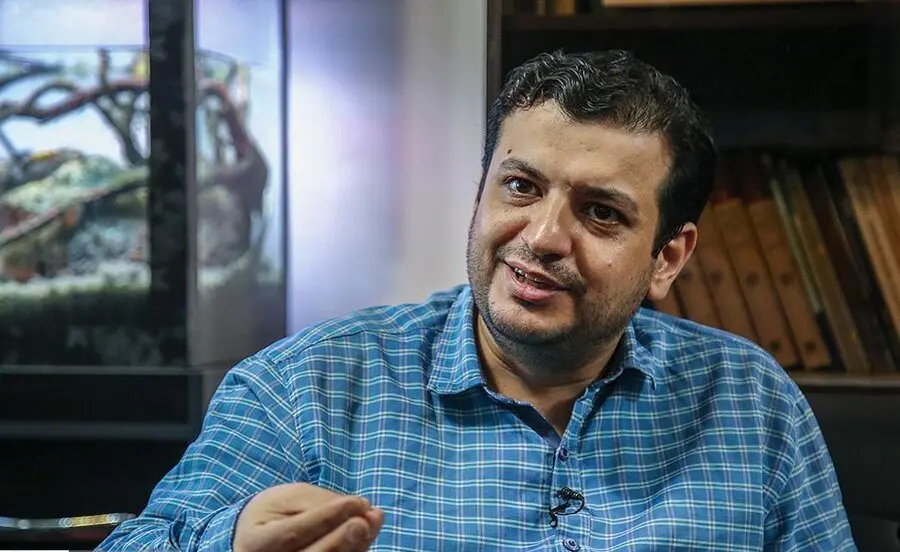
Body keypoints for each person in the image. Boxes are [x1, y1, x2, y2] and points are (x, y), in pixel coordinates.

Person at [99, 49, 856, 551]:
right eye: (520, 187)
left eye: (601, 213)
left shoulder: (752, 403)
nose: (544, 237)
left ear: (668, 258)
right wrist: (229, 543)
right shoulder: (306, 389)